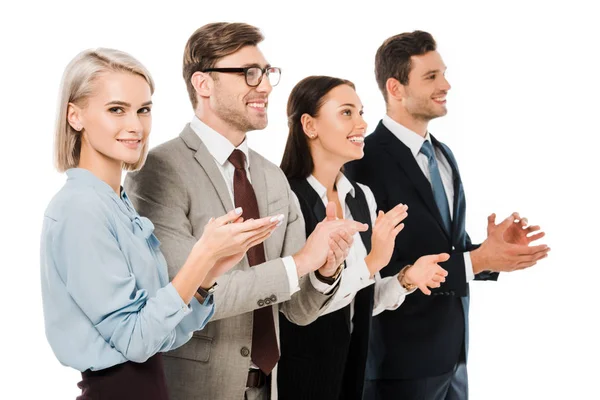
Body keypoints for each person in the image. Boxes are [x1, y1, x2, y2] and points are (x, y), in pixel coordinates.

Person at [124, 23, 367, 400]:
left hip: (267, 389)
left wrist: (325, 267)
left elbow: (299, 310)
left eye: (268, 73)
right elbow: (185, 293)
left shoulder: (271, 177)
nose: (266, 86)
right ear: (203, 84)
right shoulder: (159, 170)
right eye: (249, 73)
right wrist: (302, 261)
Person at [41, 48, 281, 400]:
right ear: (75, 116)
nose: (136, 125)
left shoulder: (117, 205)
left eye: (144, 110)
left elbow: (165, 334)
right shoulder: (80, 209)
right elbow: (135, 341)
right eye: (116, 110)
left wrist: (207, 275)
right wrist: (200, 257)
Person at [345, 31, 550, 400]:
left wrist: (490, 253)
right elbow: (365, 272)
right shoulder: (363, 162)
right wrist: (475, 260)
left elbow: (441, 246)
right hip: (397, 366)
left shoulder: (442, 154)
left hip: (454, 359)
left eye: (444, 74)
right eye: (431, 77)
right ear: (396, 88)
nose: (446, 85)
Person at [277, 75, 450, 400]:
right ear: (309, 125)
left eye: (361, 112)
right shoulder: (284, 197)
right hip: (300, 376)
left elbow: (357, 300)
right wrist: (373, 261)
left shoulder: (361, 197)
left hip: (353, 370)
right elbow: (299, 308)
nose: (362, 123)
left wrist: (405, 278)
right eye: (347, 113)